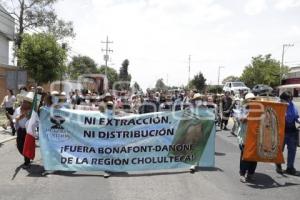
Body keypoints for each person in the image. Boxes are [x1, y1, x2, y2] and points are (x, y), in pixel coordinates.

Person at [276, 91, 299, 175]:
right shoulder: (278, 106)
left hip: (292, 131)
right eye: (288, 99)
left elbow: (297, 117)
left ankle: (290, 167)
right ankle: (278, 165)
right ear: (282, 99)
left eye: (291, 99)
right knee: (279, 150)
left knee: (292, 150)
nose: (290, 101)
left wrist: (299, 120)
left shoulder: (293, 106)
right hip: (280, 131)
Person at [237, 92, 257, 183]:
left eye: (253, 100)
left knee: (254, 156)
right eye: (250, 100)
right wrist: (250, 114)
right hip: (244, 136)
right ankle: (242, 174)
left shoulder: (258, 110)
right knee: (245, 156)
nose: (252, 101)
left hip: (255, 136)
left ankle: (251, 173)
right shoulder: (242, 109)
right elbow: (242, 120)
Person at [13, 92, 36, 168]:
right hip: (20, 130)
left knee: (26, 146)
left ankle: (27, 161)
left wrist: (29, 116)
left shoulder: (32, 112)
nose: (24, 103)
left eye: (26, 102)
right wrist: (15, 123)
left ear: (30, 104)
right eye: (23, 101)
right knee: (19, 146)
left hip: (28, 131)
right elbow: (15, 119)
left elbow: (36, 121)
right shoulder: (17, 109)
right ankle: (27, 156)